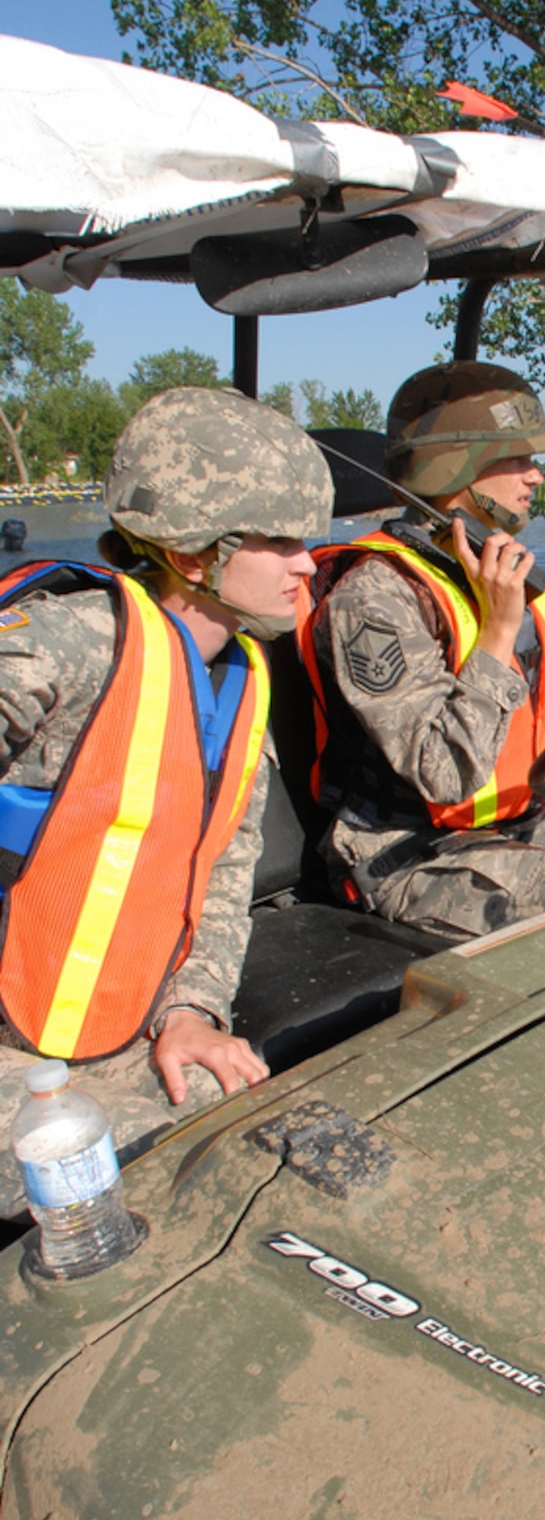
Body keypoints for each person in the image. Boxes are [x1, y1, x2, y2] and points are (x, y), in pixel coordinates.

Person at [0, 386, 331, 1208]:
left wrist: (193, 1012)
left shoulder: (240, 680)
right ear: (194, 557)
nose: (308, 563)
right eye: (281, 541)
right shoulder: (64, 644)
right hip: (13, 1044)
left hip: (122, 1023)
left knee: (251, 1153)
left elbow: (222, 874)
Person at [298, 362, 545, 938]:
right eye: (519, 459)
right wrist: (499, 632)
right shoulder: (374, 594)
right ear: (459, 465)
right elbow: (444, 772)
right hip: (412, 852)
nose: (537, 476)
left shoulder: (486, 564)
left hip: (525, 814)